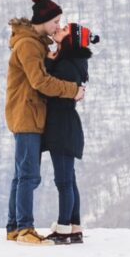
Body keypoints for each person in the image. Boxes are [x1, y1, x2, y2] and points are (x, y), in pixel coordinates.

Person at [3, 0, 82, 244]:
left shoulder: (34, 44)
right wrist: (73, 90)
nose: (58, 26)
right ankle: (24, 228)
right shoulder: (28, 45)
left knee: (21, 174)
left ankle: (15, 228)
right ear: (44, 21)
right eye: (55, 22)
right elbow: (39, 82)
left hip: (28, 113)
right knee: (28, 175)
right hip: (27, 114)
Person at [39, 20, 94, 245]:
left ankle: (64, 229)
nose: (59, 30)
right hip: (66, 125)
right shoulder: (72, 61)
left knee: (63, 180)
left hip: (62, 126)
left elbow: (49, 88)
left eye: (64, 30)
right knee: (68, 179)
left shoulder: (67, 64)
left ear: (70, 40)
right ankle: (75, 227)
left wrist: (47, 64)